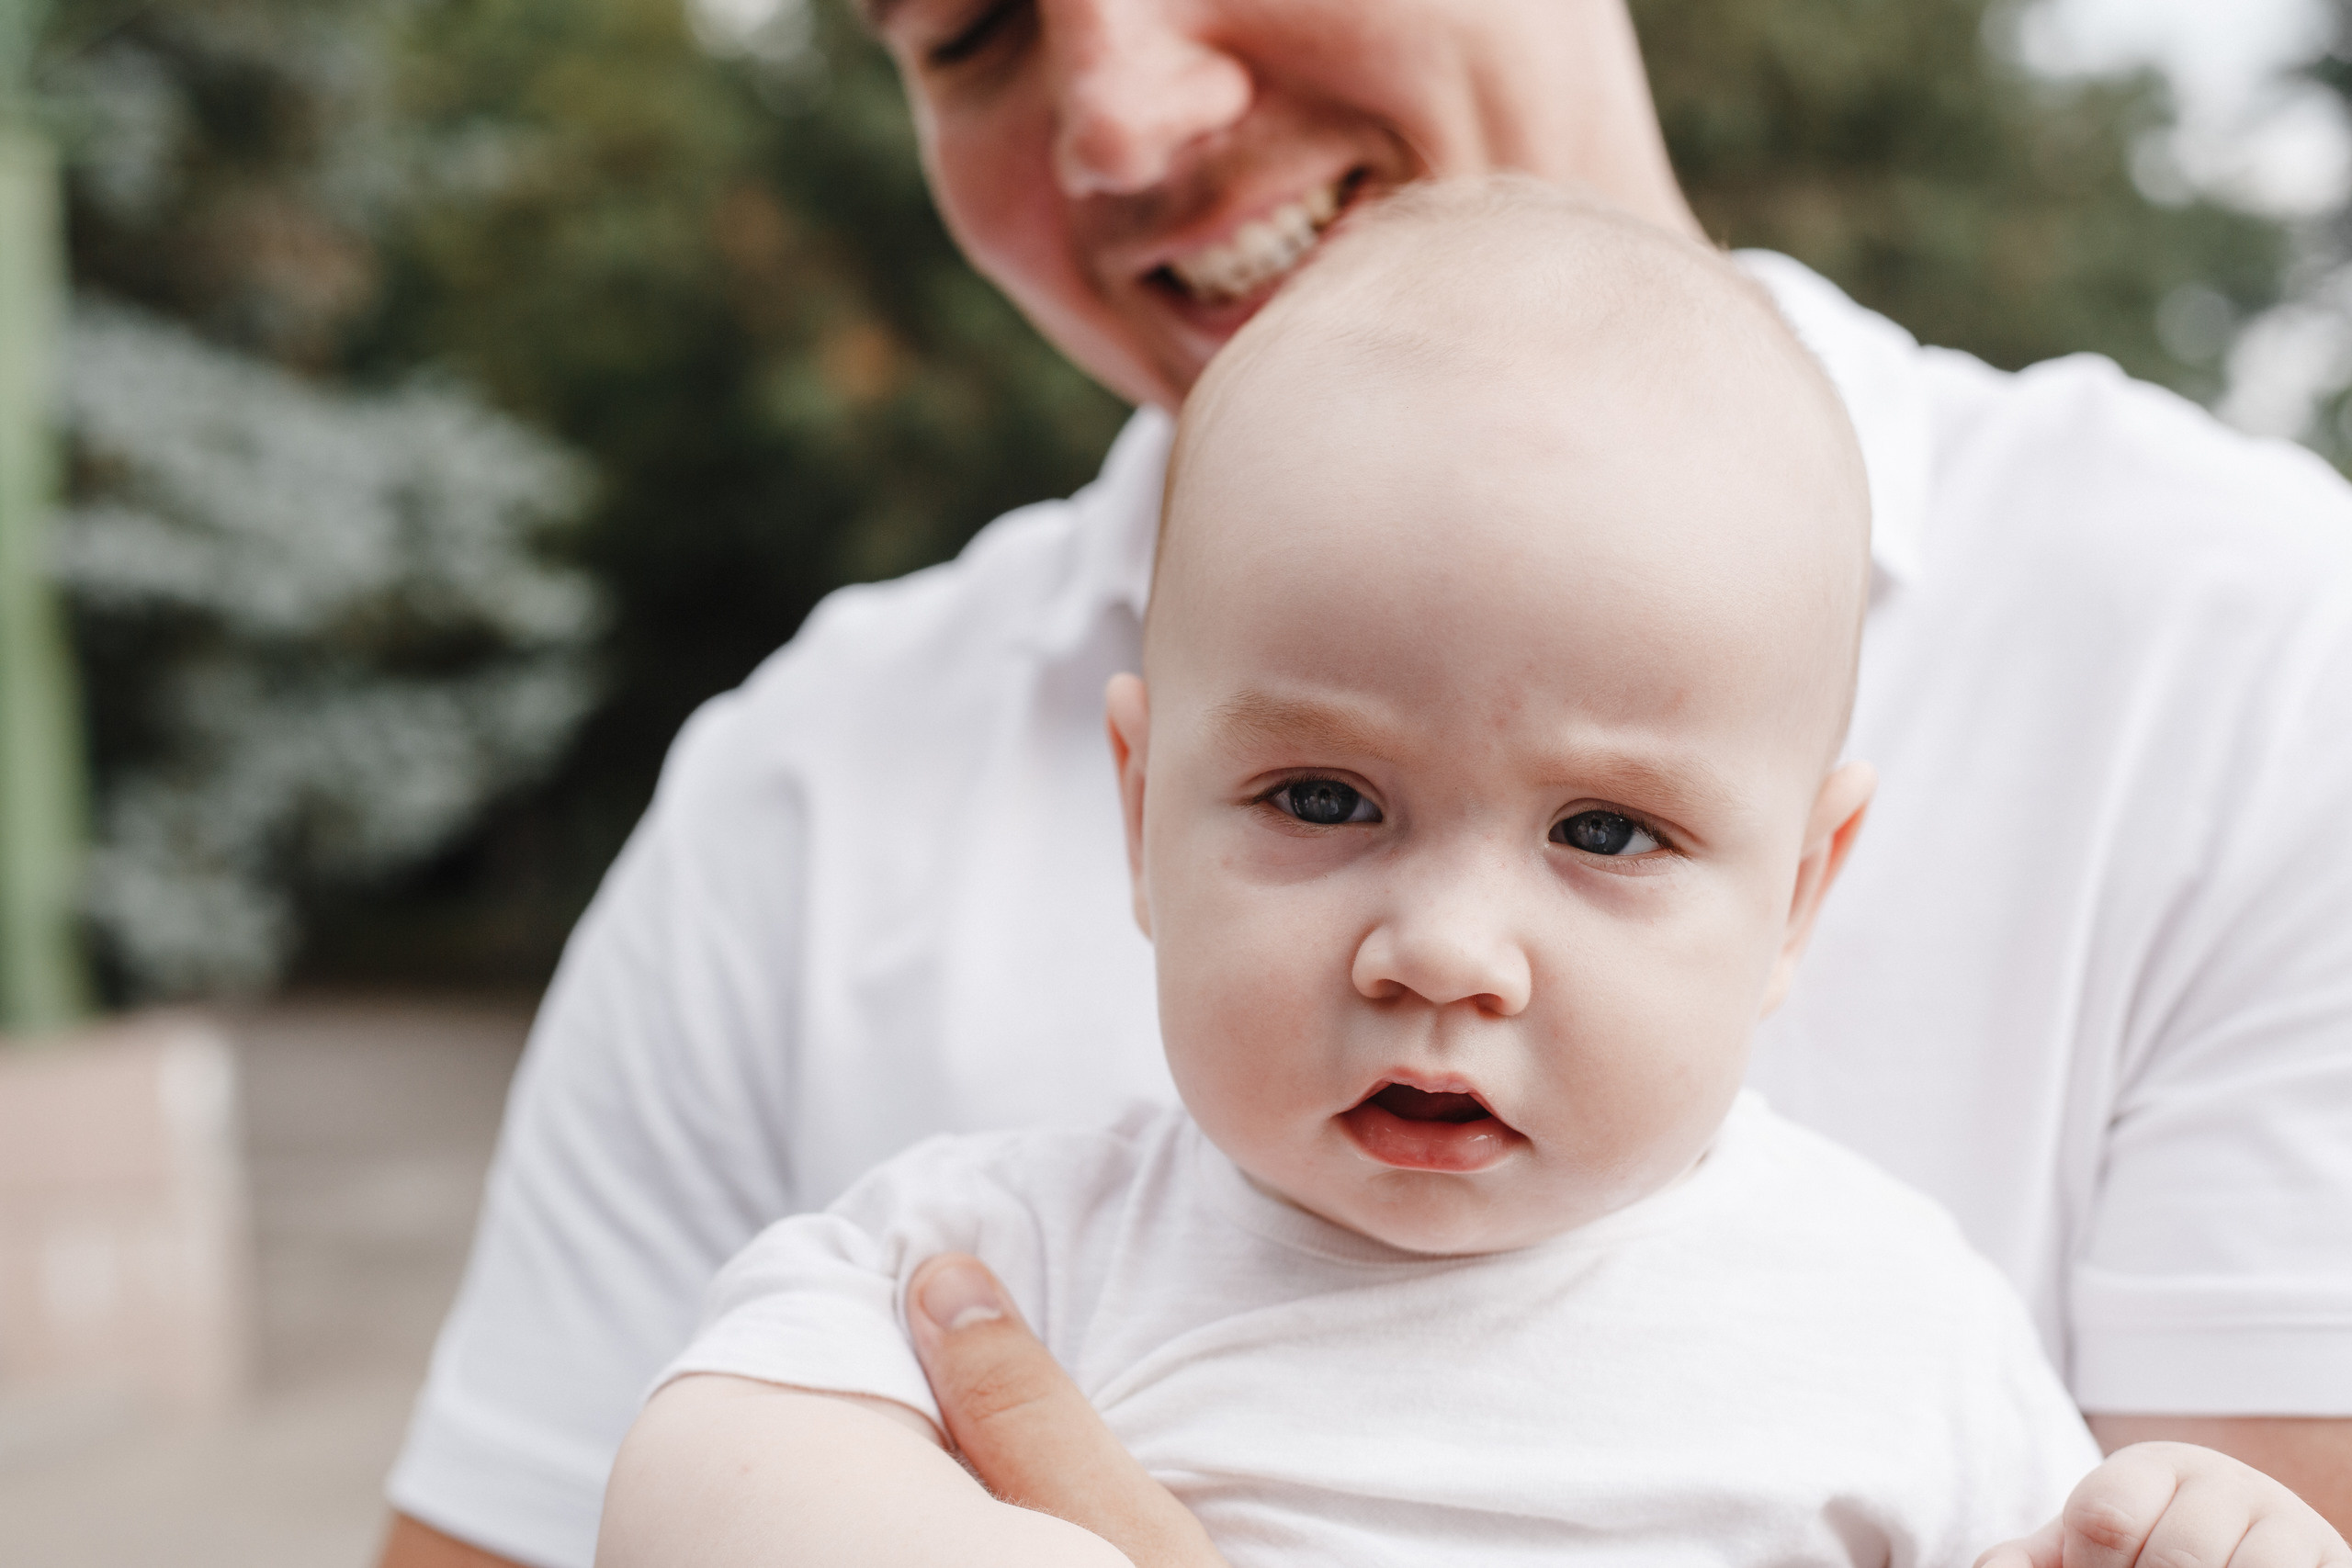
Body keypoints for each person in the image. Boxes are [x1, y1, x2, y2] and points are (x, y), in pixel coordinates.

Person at [379, 4, 2352, 1565]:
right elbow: (700, 1460)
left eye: (1605, 830)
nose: (1439, 949)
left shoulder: (1906, 1317)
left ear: (1802, 891)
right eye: (1321, 801)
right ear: (1136, 802)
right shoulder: (1017, 1232)